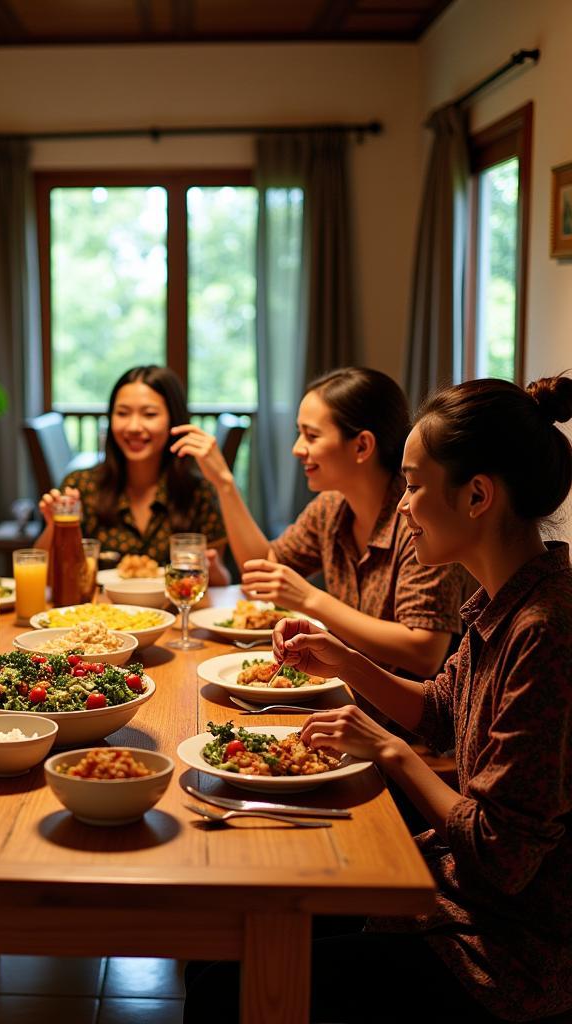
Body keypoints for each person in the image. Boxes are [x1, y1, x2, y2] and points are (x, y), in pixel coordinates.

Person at [184, 373, 572, 1023]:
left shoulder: (545, 633)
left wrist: (390, 751)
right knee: (222, 941)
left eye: (415, 486)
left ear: (477, 495)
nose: (402, 506)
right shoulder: (503, 603)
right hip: (451, 898)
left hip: (501, 954)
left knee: (224, 988)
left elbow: (502, 856)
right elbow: (442, 709)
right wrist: (342, 657)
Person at [171, 367, 465, 677]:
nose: (297, 448)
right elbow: (262, 570)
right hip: (344, 694)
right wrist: (224, 483)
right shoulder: (331, 507)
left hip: (399, 719)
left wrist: (310, 599)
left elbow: (423, 653)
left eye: (311, 435)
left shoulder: (417, 518)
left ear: (362, 446)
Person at [36, 365, 230, 582]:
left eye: (149, 414)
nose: (134, 426)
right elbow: (46, 577)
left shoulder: (198, 491)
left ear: (173, 421)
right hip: (98, 612)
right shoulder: (81, 486)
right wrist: (55, 526)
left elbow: (219, 579)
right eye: (122, 413)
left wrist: (212, 569)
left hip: (173, 611)